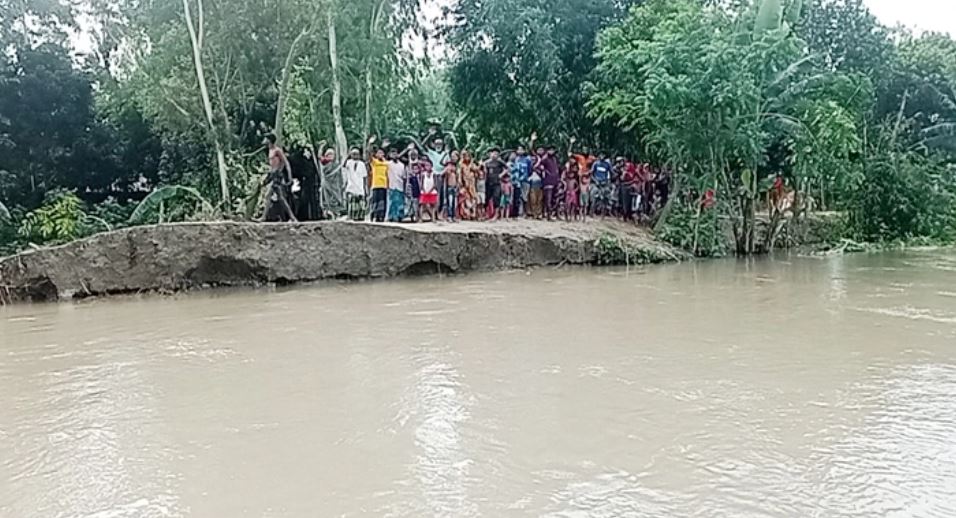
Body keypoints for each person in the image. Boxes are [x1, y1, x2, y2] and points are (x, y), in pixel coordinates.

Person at [263, 134, 297, 222]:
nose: (264, 140)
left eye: (266, 139)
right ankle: (292, 217)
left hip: (277, 175)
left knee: (270, 196)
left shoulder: (277, 150)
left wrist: (290, 177)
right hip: (273, 174)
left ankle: (263, 217)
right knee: (280, 198)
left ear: (269, 140)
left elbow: (286, 163)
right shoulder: (270, 150)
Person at [342, 147, 368, 221]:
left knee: (361, 204)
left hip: (360, 186)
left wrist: (366, 187)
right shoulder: (349, 162)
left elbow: (364, 176)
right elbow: (343, 165)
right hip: (351, 186)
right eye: (353, 154)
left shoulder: (362, 164)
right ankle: (352, 216)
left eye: (356, 154)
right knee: (352, 204)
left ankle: (360, 217)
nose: (355, 155)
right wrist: (348, 155)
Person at [426, 137, 451, 215]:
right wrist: (430, 135)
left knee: (442, 195)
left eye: (440, 144)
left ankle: (439, 212)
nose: (438, 145)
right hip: (433, 176)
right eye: (436, 144)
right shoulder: (432, 153)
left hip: (443, 176)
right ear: (433, 144)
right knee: (432, 193)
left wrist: (443, 173)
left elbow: (448, 165)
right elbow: (422, 146)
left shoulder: (445, 153)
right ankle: (432, 212)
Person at [367, 137, 389, 222]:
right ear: (376, 155)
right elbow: (369, 154)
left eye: (382, 153)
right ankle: (373, 216)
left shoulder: (386, 163)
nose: (381, 154)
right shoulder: (374, 162)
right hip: (376, 184)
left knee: (382, 202)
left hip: (384, 185)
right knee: (375, 201)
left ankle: (381, 217)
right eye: (379, 153)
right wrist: (370, 144)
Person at [483, 148, 506, 220]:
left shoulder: (500, 162)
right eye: (493, 153)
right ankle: (486, 214)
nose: (494, 155)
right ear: (490, 154)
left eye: (496, 154)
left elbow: (507, 168)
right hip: (488, 182)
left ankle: (496, 215)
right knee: (487, 198)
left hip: (497, 182)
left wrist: (501, 174)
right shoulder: (486, 162)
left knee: (496, 197)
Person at [511, 146, 533, 218]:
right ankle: (518, 213)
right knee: (517, 197)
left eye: (521, 150)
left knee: (525, 197)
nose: (520, 151)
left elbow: (530, 170)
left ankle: (526, 212)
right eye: (518, 149)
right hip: (517, 181)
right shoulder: (516, 159)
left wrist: (527, 177)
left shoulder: (527, 159)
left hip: (525, 180)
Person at [458, 151, 480, 220]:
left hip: (472, 184)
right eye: (465, 156)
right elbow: (459, 174)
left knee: (473, 198)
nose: (467, 158)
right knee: (465, 199)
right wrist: (460, 181)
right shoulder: (461, 164)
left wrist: (479, 164)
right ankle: (466, 214)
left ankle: (473, 214)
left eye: (468, 156)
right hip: (465, 184)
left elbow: (477, 170)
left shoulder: (472, 164)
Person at [386, 148, 406, 222]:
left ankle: (400, 216)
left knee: (400, 202)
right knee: (392, 202)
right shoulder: (388, 164)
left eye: (395, 154)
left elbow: (404, 177)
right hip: (391, 185)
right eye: (392, 154)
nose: (394, 155)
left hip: (400, 185)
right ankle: (391, 216)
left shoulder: (402, 165)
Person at [542, 146, 561, 220]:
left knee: (556, 199)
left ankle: (557, 214)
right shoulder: (545, 159)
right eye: (550, 150)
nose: (551, 151)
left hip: (555, 181)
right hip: (548, 181)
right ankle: (548, 215)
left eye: (552, 150)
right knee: (548, 199)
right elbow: (540, 165)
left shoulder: (555, 159)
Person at [444, 151, 460, 222]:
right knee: (450, 202)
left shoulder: (457, 166)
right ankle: (449, 216)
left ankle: (454, 216)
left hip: (455, 186)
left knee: (455, 203)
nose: (454, 158)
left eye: (455, 156)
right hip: (449, 186)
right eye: (452, 156)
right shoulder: (449, 165)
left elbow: (458, 177)